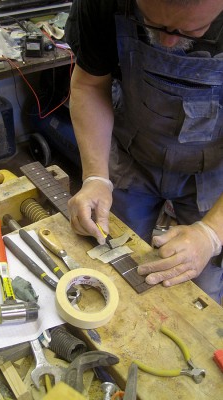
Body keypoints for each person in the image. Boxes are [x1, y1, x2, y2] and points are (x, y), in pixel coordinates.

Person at [65, 0, 223, 304]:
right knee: (108, 265)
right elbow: (89, 85)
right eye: (152, 23)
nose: (168, 41)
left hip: (213, 171)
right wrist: (96, 176)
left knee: (200, 294)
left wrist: (211, 234)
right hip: (133, 152)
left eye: (191, 29)